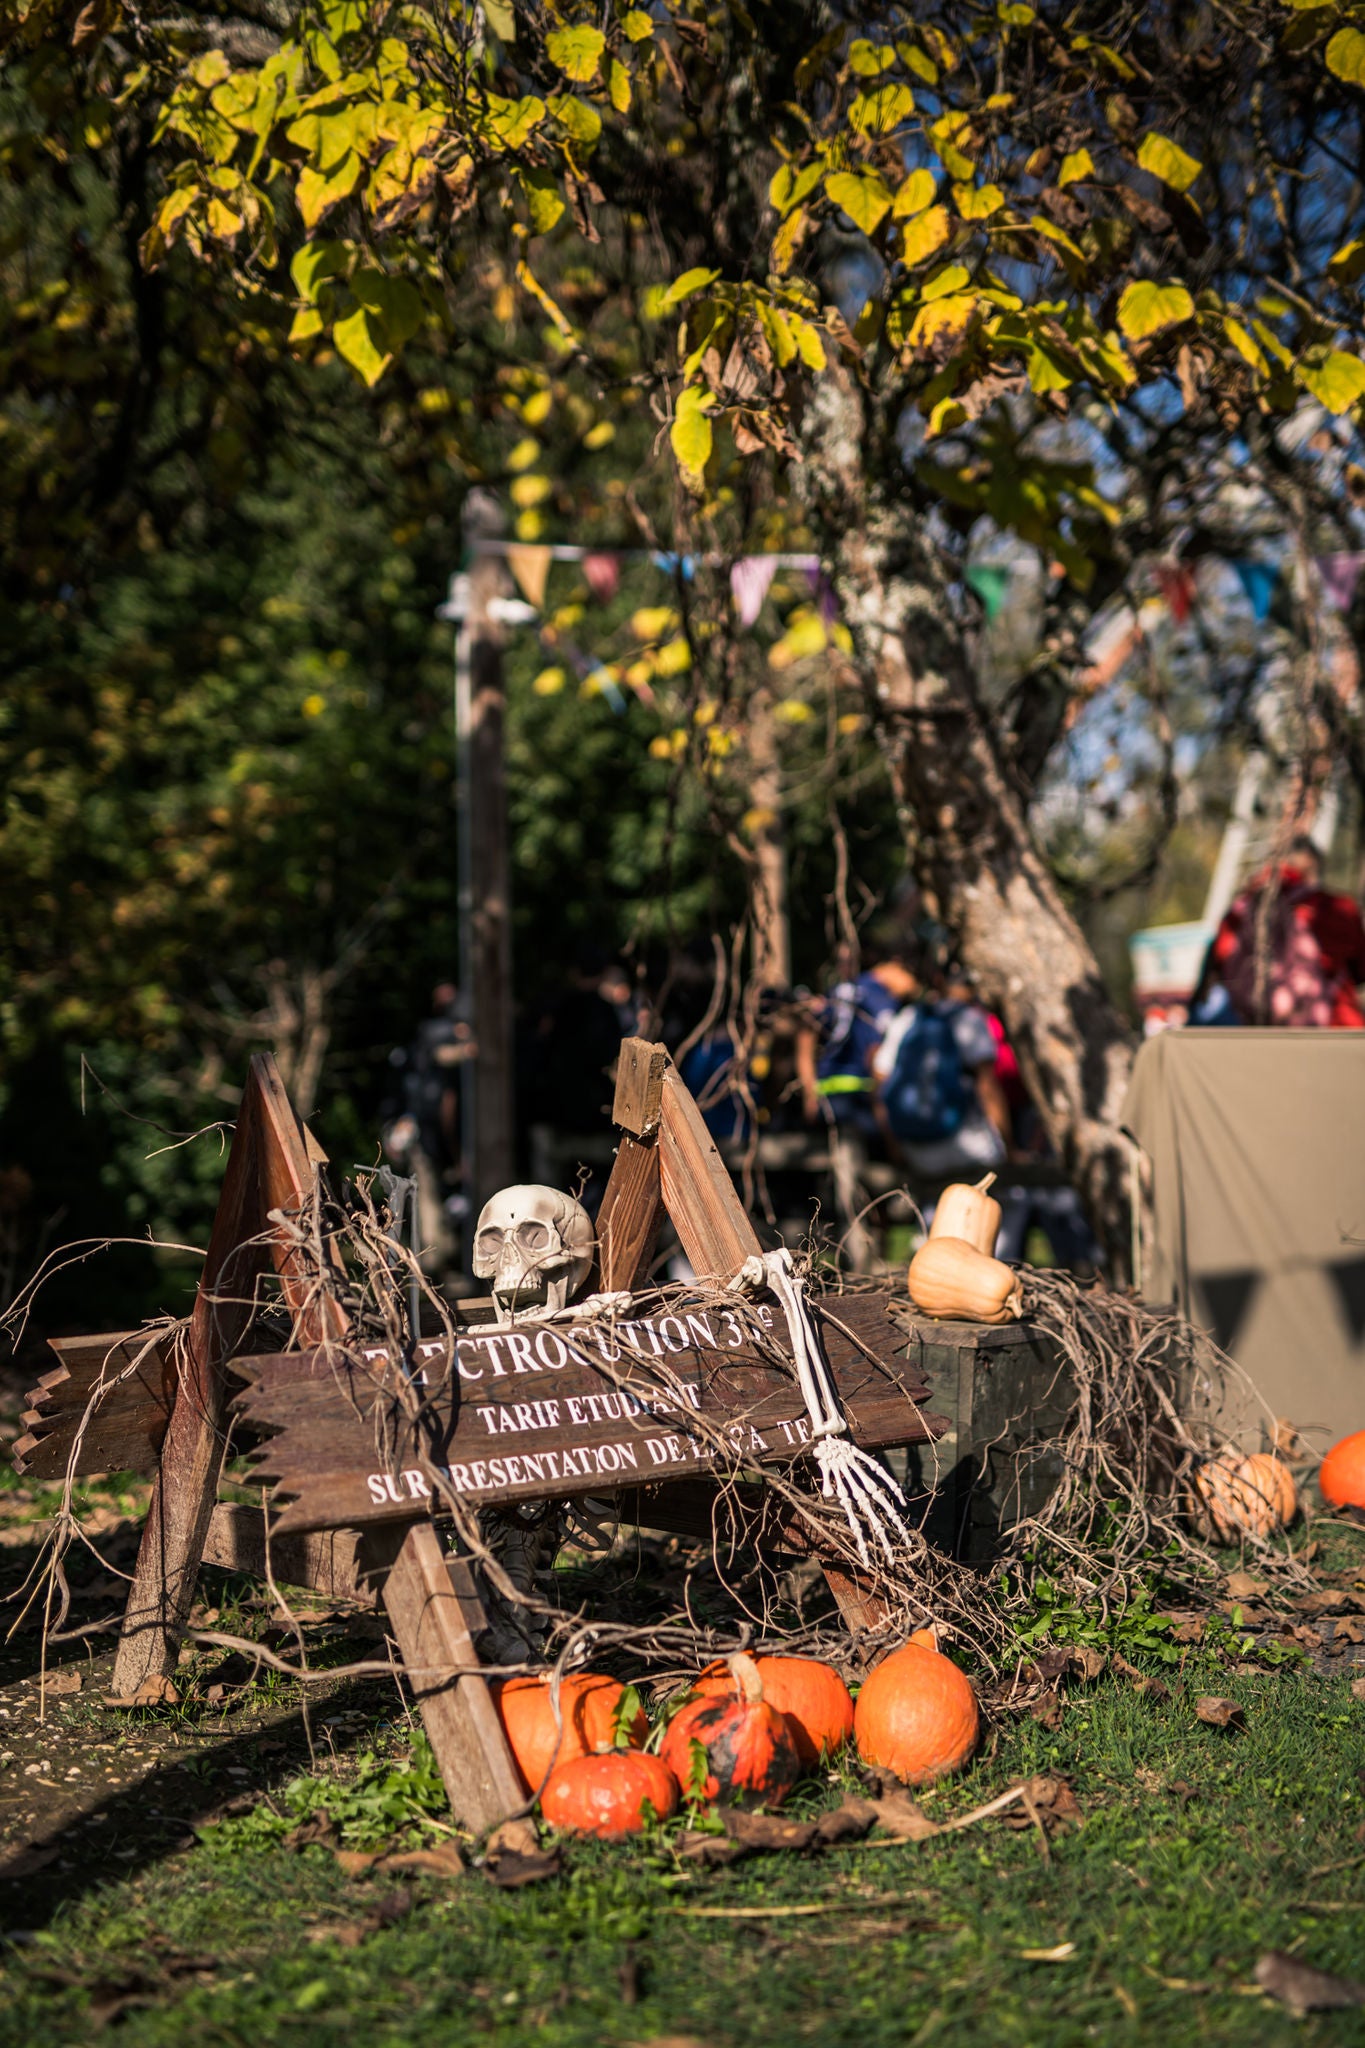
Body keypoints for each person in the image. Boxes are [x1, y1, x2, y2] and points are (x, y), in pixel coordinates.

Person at [1203, 836, 1365, 1029]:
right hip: (1329, 1026)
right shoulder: (1335, 909)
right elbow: (1360, 969)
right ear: (1312, 868)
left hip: (1250, 1025)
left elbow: (1220, 960)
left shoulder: (1241, 910)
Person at [873, 956, 1009, 1182]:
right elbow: (988, 1088)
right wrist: (1008, 1144)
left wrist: (894, 1144)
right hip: (970, 1142)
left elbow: (880, 1082)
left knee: (934, 1211)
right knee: (1006, 1203)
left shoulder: (906, 1019)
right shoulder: (969, 1019)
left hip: (916, 1145)